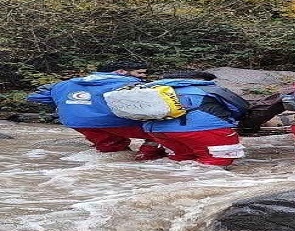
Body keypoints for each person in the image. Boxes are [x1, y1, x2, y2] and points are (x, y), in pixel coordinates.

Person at [26, 61, 166, 160]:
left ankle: (114, 167)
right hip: (112, 121)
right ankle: (146, 160)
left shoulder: (64, 84)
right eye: (139, 72)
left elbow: (38, 97)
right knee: (160, 133)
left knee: (112, 146)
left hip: (76, 121)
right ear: (121, 71)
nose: (143, 76)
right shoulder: (130, 84)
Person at [141, 71, 248, 167]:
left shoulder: (151, 90)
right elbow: (241, 107)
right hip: (203, 129)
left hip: (157, 131)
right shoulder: (207, 88)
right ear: (202, 80)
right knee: (218, 161)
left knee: (182, 159)